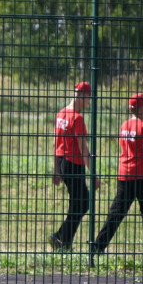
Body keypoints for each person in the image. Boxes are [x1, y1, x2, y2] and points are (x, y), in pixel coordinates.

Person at [90, 94, 143, 255]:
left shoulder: (124, 125)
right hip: (142, 175)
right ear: (140, 108)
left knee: (116, 213)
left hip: (124, 173)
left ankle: (98, 245)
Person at [50, 82, 100, 251]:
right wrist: (93, 173)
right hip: (74, 164)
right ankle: (61, 237)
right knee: (83, 203)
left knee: (77, 203)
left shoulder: (61, 113)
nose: (88, 102)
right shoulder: (77, 118)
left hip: (63, 163)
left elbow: (55, 143)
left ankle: (64, 240)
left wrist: (56, 169)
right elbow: (83, 148)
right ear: (82, 96)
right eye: (88, 99)